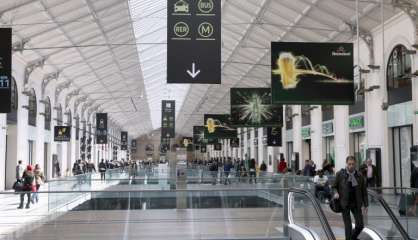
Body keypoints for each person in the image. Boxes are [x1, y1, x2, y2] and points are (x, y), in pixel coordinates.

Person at [333, 156, 368, 240]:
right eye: (349, 164)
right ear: (346, 164)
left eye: (353, 164)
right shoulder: (340, 174)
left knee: (360, 225)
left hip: (356, 203)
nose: (351, 166)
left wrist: (366, 205)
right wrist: (336, 192)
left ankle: (352, 238)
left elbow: (364, 191)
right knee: (348, 226)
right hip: (344, 203)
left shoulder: (359, 175)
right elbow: (334, 186)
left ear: (355, 164)